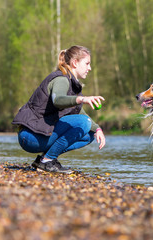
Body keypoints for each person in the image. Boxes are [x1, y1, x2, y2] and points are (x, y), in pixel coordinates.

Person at [12, 45, 105, 173]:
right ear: (75, 63)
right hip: (30, 136)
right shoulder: (61, 79)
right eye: (87, 63)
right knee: (84, 123)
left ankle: (44, 159)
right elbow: (58, 100)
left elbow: (79, 112)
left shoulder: (72, 84)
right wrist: (82, 99)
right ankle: (47, 161)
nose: (90, 68)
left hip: (40, 134)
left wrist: (98, 129)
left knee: (89, 134)